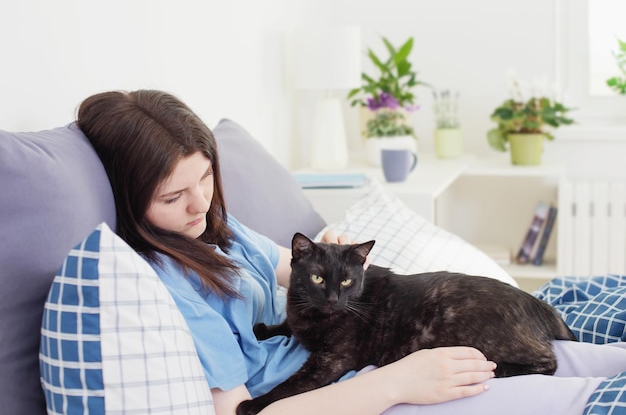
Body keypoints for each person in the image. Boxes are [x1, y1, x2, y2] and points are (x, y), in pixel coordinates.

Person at [77, 89, 626, 415]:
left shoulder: (216, 228)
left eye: (206, 179)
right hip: (358, 391)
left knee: (598, 363)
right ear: (130, 198)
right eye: (174, 196)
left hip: (372, 353)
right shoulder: (169, 284)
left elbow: (283, 265)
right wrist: (396, 382)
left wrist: (330, 258)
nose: (200, 204)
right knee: (589, 402)